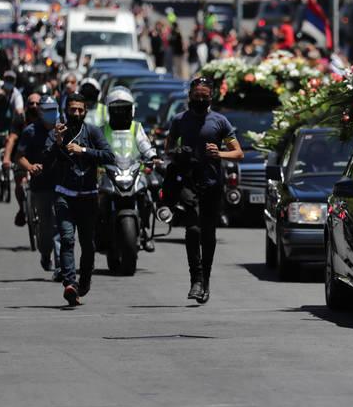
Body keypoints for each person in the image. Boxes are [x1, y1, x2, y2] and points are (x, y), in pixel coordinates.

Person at [164, 77, 244, 303]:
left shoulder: (220, 121)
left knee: (208, 234)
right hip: (188, 182)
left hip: (212, 184)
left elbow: (238, 153)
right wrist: (179, 151)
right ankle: (195, 279)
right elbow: (168, 147)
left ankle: (205, 281)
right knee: (193, 230)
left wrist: (219, 153)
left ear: (211, 97)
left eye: (204, 96)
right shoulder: (179, 120)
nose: (199, 99)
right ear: (189, 96)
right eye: (196, 95)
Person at [43, 93, 114, 306]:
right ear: (66, 111)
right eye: (72, 109)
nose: (76, 113)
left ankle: (84, 281)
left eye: (80, 110)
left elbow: (108, 155)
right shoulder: (57, 132)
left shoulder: (92, 132)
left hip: (88, 197)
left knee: (88, 245)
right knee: (66, 239)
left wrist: (83, 150)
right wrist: (57, 142)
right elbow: (46, 159)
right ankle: (70, 284)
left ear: (85, 112)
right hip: (64, 195)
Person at [102, 87, 157, 252]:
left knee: (146, 193)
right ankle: (99, 230)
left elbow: (144, 145)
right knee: (97, 198)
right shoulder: (102, 129)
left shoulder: (136, 128)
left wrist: (152, 156)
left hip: (133, 170)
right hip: (109, 172)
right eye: (116, 109)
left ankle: (145, 231)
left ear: (131, 109)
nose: (120, 112)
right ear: (109, 110)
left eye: (124, 109)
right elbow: (95, 148)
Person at [17, 96, 62, 280]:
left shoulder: (62, 129)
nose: (52, 114)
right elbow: (19, 156)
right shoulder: (30, 131)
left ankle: (61, 266)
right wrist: (30, 167)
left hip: (61, 184)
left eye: (54, 110)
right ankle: (45, 253)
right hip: (40, 186)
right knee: (45, 227)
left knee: (60, 226)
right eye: (48, 110)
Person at [4, 93, 43, 227]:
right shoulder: (20, 119)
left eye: (37, 103)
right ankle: (22, 209)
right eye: (31, 103)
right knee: (20, 184)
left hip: (40, 156)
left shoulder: (46, 119)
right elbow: (12, 139)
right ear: (26, 106)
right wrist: (6, 158)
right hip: (21, 156)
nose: (34, 106)